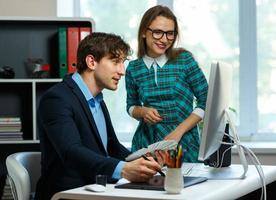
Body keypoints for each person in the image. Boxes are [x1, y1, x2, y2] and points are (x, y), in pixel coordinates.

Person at [35, 32, 162, 200]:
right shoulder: (57, 99)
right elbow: (71, 151)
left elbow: (112, 147)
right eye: (116, 62)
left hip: (96, 189)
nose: (122, 71)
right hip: (66, 194)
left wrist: (146, 159)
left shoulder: (97, 100)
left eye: (123, 63)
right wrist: (124, 169)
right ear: (91, 62)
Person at [125, 5, 208, 162]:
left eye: (170, 34)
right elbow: (130, 106)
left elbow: (206, 101)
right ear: (144, 32)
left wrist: (177, 133)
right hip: (147, 145)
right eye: (158, 32)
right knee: (144, 186)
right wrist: (142, 112)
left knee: (185, 185)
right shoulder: (133, 68)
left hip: (184, 143)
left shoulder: (184, 61)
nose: (164, 39)